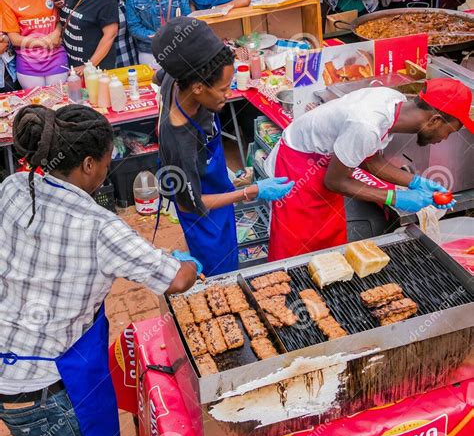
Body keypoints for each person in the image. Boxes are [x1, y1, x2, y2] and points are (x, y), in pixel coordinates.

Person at [0, 103, 197, 436]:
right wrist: (185, 264)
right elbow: (178, 281)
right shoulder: (100, 228)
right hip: (48, 391)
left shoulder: (14, 187)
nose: (109, 169)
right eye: (108, 160)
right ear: (88, 164)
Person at [266, 79, 472, 261]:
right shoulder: (366, 124)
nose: (445, 138)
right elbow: (335, 182)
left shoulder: (394, 101)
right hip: (298, 165)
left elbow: (371, 160)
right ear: (435, 120)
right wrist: (395, 198)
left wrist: (414, 182)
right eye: (450, 131)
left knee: (327, 243)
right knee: (296, 249)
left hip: (328, 165)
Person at [152, 17, 293, 276]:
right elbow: (189, 205)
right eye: (223, 89)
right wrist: (251, 191)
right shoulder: (179, 142)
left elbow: (158, 75)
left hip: (214, 179)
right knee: (221, 270)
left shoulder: (181, 73)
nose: (229, 95)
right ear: (196, 88)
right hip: (202, 209)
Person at [0, 0, 68, 89]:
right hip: (28, 65)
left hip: (56, 58)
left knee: (61, 103)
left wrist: (57, 31)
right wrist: (46, 41)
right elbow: (15, 39)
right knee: (37, 106)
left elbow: (60, 19)